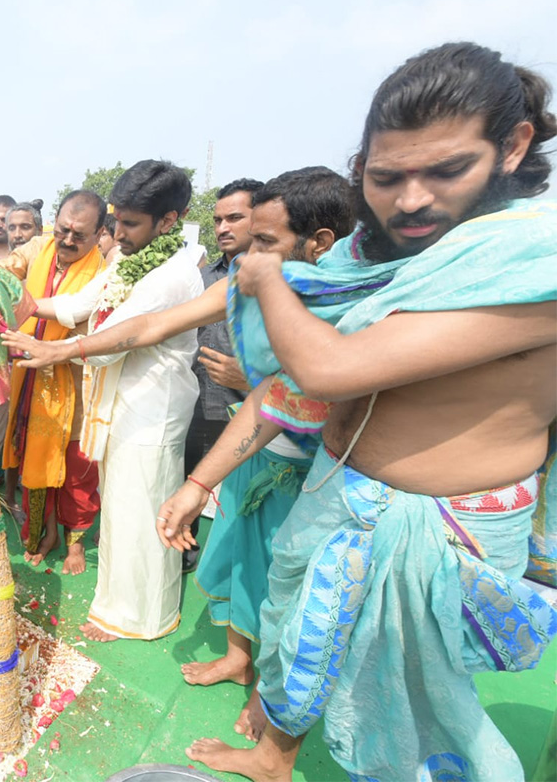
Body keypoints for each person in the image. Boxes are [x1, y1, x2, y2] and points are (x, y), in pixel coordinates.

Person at [166, 43, 557, 782]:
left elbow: (326, 366)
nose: (410, 200)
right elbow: (294, 396)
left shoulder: (532, 262)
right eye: (386, 177)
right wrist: (198, 483)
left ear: (512, 147)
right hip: (339, 490)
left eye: (445, 171)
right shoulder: (374, 264)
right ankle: (274, 759)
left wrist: (267, 278)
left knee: (405, 701)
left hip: (438, 524)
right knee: (296, 631)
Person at [172, 168, 354, 739]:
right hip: (247, 452)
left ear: (320, 243)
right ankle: (236, 658)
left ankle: (268, 695)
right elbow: (162, 325)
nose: (249, 255)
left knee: (285, 588)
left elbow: (284, 395)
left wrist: (243, 382)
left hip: (306, 476)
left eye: (263, 242)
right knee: (236, 559)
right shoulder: (257, 283)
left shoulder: (344, 308)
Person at [7, 163, 203, 634]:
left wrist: (57, 348)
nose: (117, 233)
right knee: (121, 508)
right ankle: (118, 602)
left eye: (129, 224)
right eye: (117, 221)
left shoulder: (173, 275)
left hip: (153, 408)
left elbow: (121, 334)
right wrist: (25, 306)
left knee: (144, 510)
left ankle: (140, 617)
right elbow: (81, 304)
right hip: (122, 405)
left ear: (168, 222)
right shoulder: (126, 263)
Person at [0, 190, 108, 572]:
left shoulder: (105, 272)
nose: (69, 240)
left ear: (99, 233)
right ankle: (46, 531)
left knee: (75, 470)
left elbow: (81, 320)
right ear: (51, 225)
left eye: (80, 234)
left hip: (75, 383)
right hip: (29, 379)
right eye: (63, 230)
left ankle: (75, 542)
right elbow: (7, 267)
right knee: (33, 458)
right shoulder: (39, 248)